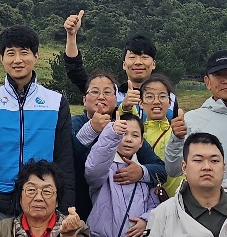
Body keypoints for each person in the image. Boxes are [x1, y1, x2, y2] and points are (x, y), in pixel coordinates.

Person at [0, 25, 76, 237]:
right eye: (10, 53)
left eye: (24, 52)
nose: (17, 60)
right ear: (2, 57)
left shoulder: (55, 102)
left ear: (36, 56)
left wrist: (65, 207)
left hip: (41, 204)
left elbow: (64, 160)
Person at [70, 68, 168, 220]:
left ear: (116, 100)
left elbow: (160, 169)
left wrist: (141, 172)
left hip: (117, 215)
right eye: (95, 92)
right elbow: (66, 158)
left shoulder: (125, 126)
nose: (101, 97)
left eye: (108, 92)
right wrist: (92, 129)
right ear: (84, 99)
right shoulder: (75, 124)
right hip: (77, 207)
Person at [164, 50, 227, 191]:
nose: (225, 80)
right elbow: (173, 170)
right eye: (218, 75)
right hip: (211, 209)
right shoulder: (192, 120)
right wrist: (177, 139)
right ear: (207, 82)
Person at [137, 74, 183, 196]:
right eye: (150, 97)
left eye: (162, 96)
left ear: (169, 102)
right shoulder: (137, 134)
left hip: (178, 201)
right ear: (141, 103)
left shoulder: (179, 133)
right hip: (146, 202)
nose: (156, 102)